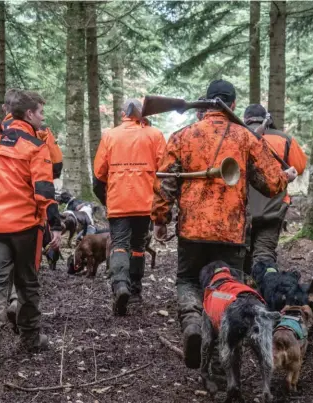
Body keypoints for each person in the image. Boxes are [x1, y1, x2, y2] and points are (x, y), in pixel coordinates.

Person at [151, 79, 297, 369]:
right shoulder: (245, 138)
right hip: (231, 233)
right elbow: (270, 184)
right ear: (232, 106)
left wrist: (160, 219)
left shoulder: (182, 135)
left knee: (189, 281)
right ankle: (221, 361)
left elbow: (165, 182)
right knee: (229, 289)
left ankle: (192, 322)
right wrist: (286, 177)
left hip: (192, 230)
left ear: (206, 103)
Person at [0, 90, 63, 368]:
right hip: (24, 227)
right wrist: (54, 226)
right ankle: (30, 339)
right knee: (27, 283)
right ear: (29, 114)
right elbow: (44, 191)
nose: (43, 118)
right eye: (41, 112)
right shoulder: (35, 145)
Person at [93, 98, 166, 316]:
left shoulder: (110, 135)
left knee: (119, 245)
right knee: (138, 247)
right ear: (143, 114)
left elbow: (98, 175)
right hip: (145, 203)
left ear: (123, 113)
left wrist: (107, 200)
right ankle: (135, 292)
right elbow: (165, 171)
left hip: (119, 203)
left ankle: (120, 285)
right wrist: (160, 203)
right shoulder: (155, 135)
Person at [242, 104, 307, 272]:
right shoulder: (285, 139)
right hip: (273, 207)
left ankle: (242, 289)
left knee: (241, 252)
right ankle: (267, 286)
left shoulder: (237, 137)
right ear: (266, 119)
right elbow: (299, 167)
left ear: (245, 119)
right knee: (265, 254)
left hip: (243, 207)